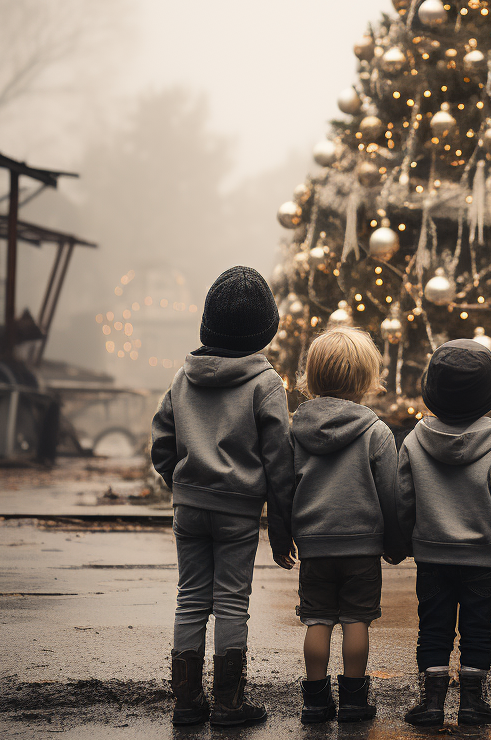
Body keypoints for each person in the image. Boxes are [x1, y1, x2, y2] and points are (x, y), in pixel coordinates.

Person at [151, 265, 295, 727]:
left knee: (190, 599)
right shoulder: (265, 384)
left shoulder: (182, 377)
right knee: (232, 603)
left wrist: (179, 483)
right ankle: (229, 704)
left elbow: (161, 442)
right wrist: (281, 526)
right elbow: (279, 463)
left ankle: (186, 703)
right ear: (264, 331)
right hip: (238, 511)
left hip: (189, 507)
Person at [397, 339, 491, 727]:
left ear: (430, 389)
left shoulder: (415, 440)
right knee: (477, 628)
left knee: (433, 627)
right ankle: (473, 702)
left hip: (432, 557)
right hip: (482, 558)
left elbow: (403, 501)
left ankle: (432, 702)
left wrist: (408, 542)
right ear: (490, 392)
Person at [286, 326, 404, 724]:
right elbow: (391, 493)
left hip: (315, 546)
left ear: (312, 376)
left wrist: (282, 533)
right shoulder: (376, 432)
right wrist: (394, 540)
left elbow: (284, 488)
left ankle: (315, 701)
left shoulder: (295, 431)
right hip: (362, 547)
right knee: (357, 620)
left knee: (317, 619)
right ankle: (354, 700)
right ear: (367, 379)